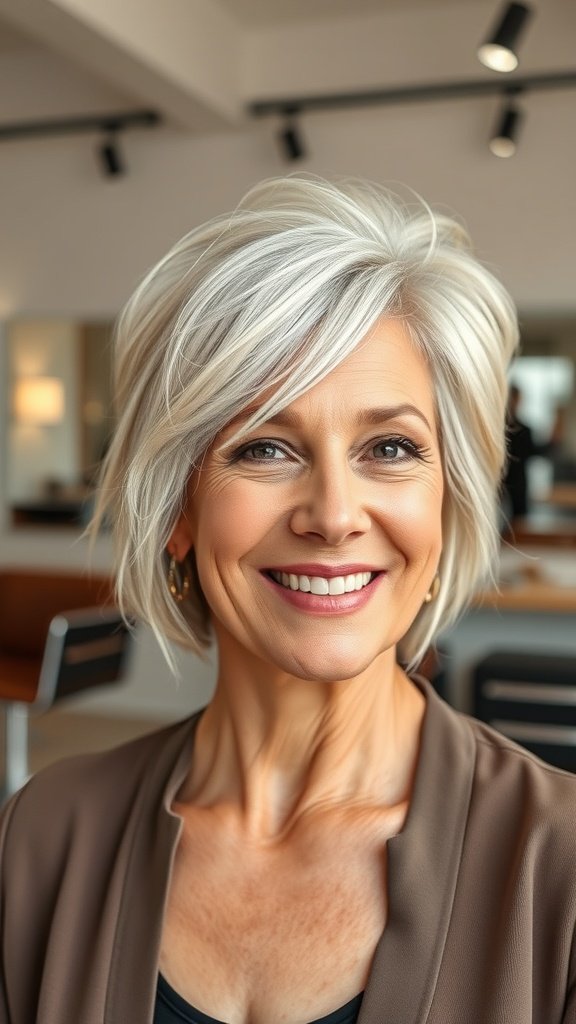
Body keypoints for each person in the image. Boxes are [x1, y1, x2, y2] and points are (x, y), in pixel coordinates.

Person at [1, 176, 576, 1024]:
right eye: (266, 447)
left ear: (448, 501)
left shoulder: (558, 865)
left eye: (390, 447)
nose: (336, 516)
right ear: (178, 510)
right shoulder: (43, 836)